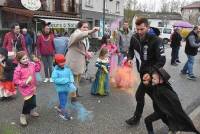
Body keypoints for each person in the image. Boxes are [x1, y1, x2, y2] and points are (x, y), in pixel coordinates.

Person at [125, 17, 166, 125]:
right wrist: (129, 58)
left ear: (147, 27)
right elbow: (130, 50)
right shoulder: (134, 37)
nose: (139, 32)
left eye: (142, 29)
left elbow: (162, 60)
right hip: (143, 73)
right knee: (144, 96)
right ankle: (137, 118)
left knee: (153, 99)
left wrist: (151, 72)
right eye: (137, 29)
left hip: (153, 75)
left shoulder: (157, 40)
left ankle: (169, 120)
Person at [144, 67, 200, 134]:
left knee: (147, 120)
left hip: (161, 111)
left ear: (161, 80)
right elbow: (153, 84)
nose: (152, 80)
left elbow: (174, 100)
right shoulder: (159, 85)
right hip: (163, 111)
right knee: (167, 121)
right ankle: (174, 129)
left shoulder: (164, 90)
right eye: (152, 78)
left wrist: (174, 110)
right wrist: (148, 82)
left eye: (154, 79)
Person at [65, 20, 99, 97]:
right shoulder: (75, 34)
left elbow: (83, 48)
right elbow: (80, 36)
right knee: (74, 79)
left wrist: (87, 53)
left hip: (80, 61)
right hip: (73, 61)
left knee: (78, 78)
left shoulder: (85, 37)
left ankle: (76, 92)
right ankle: (73, 97)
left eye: (87, 27)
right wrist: (91, 31)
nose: (86, 28)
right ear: (79, 27)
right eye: (84, 27)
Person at [13, 51, 41, 126]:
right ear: (19, 61)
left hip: (33, 86)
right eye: (23, 59)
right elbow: (16, 81)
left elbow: (38, 69)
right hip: (25, 88)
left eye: (26, 58)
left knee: (33, 99)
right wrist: (25, 82)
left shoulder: (31, 64)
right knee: (28, 102)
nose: (26, 60)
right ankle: (23, 116)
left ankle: (32, 111)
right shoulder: (18, 70)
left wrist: (37, 62)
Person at [51, 54, 77, 120]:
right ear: (57, 62)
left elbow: (70, 74)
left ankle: (60, 108)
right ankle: (64, 114)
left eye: (63, 61)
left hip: (67, 87)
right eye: (60, 62)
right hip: (61, 89)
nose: (62, 63)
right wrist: (66, 80)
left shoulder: (67, 68)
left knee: (64, 99)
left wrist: (71, 80)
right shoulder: (55, 71)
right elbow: (55, 80)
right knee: (63, 101)